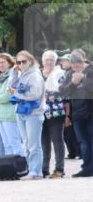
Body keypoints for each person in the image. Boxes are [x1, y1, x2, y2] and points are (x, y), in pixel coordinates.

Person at [9, 50, 45, 180]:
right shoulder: (22, 74)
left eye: (24, 61)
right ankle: (33, 170)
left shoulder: (35, 75)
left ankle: (35, 171)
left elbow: (34, 94)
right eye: (18, 62)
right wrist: (14, 72)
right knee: (26, 143)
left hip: (33, 113)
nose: (21, 64)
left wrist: (16, 94)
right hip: (22, 111)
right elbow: (10, 87)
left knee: (33, 144)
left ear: (30, 61)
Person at [59, 49, 93, 177]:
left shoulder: (90, 71)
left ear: (83, 61)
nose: (76, 67)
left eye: (78, 64)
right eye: (73, 65)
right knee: (83, 142)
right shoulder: (70, 73)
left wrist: (84, 79)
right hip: (77, 113)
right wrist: (73, 84)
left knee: (91, 140)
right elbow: (62, 92)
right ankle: (87, 168)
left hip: (91, 111)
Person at [40, 50, 67, 178]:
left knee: (57, 140)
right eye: (47, 59)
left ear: (55, 61)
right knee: (43, 141)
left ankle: (59, 169)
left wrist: (47, 94)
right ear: (43, 61)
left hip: (56, 112)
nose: (49, 61)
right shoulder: (38, 74)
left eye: (51, 59)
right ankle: (44, 168)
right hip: (39, 112)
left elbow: (64, 90)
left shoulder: (60, 74)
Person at [0, 53, 23, 157]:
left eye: (3, 62)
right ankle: (11, 167)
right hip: (1, 116)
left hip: (10, 115)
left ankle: (21, 167)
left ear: (9, 63)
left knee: (15, 144)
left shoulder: (12, 76)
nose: (1, 65)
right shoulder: (2, 77)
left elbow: (7, 96)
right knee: (7, 145)